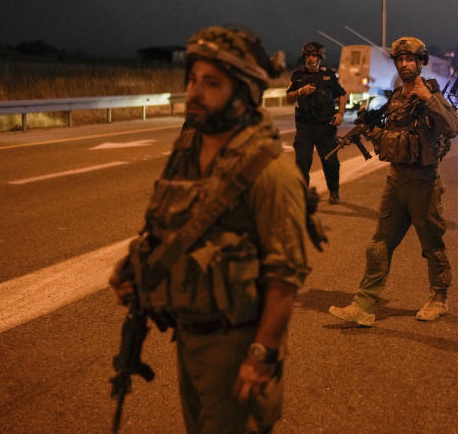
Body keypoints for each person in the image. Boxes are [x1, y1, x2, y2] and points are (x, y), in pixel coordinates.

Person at [109, 26, 322, 434]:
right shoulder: (188, 146)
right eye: (192, 80)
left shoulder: (272, 171)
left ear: (243, 93)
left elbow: (285, 275)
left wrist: (262, 355)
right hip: (189, 338)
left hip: (237, 344)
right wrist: (133, 266)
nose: (194, 92)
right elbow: (166, 221)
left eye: (211, 83)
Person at [328, 36, 458, 326]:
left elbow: (453, 127)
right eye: (399, 60)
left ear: (421, 62)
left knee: (432, 245)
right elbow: (392, 134)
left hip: (424, 182)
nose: (404, 64)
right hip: (396, 180)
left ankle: (439, 299)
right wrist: (372, 131)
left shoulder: (432, 94)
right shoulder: (396, 97)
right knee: (378, 244)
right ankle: (363, 305)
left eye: (409, 59)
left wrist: (428, 99)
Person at [286, 41, 347, 204]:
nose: (310, 59)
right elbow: (288, 98)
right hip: (305, 127)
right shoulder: (297, 75)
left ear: (320, 57)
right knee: (302, 162)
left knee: (331, 161)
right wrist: (300, 91)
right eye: (308, 55)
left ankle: (334, 191)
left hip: (325, 126)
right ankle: (301, 195)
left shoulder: (329, 74)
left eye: (314, 55)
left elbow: (342, 94)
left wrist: (340, 113)